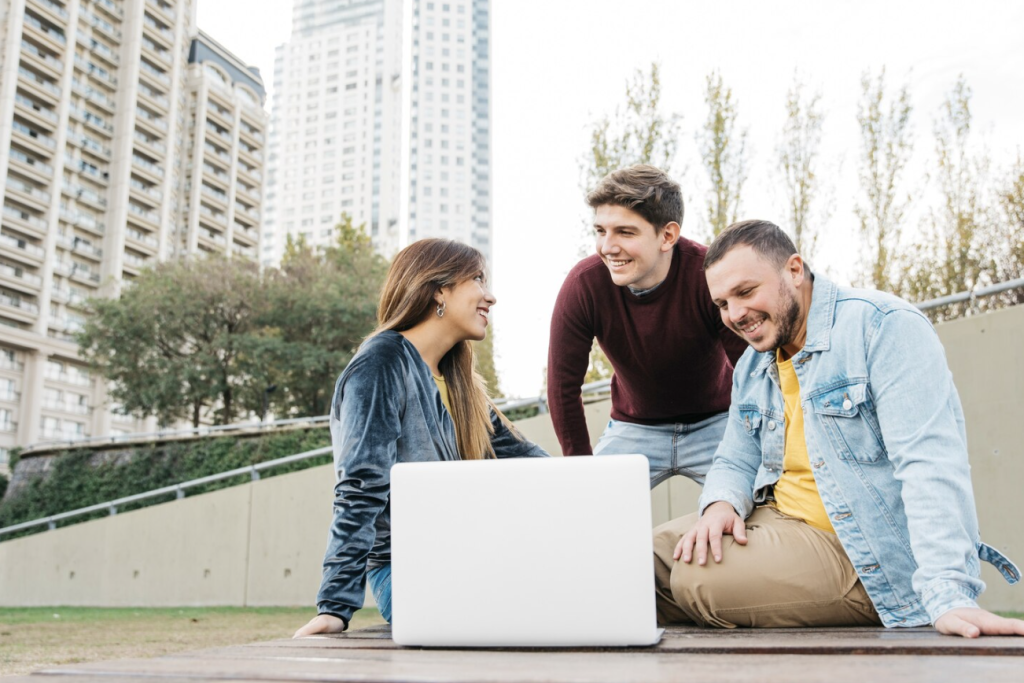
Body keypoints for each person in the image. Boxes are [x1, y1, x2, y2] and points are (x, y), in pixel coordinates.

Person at [653, 219, 1023, 637]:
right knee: (638, 562)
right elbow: (735, 457)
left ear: (794, 270)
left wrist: (948, 592)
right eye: (722, 303)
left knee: (697, 581)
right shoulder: (753, 367)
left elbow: (929, 465)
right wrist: (721, 504)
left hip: (861, 553)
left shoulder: (884, 327)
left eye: (745, 292)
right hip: (778, 522)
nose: (735, 314)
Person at [295, 239, 547, 636]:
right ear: (438, 290)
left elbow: (530, 462)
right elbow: (361, 487)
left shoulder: (462, 386)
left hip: (468, 559)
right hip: (407, 569)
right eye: (478, 280)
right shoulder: (381, 364)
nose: (490, 296)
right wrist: (335, 607)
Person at [547, 165, 746, 485]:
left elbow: (753, 369)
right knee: (585, 509)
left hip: (717, 422)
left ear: (667, 235)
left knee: (758, 501)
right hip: (633, 427)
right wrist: (581, 472)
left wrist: (759, 443)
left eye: (625, 232)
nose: (607, 247)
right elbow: (562, 388)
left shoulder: (708, 276)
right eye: (600, 231)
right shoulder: (584, 285)